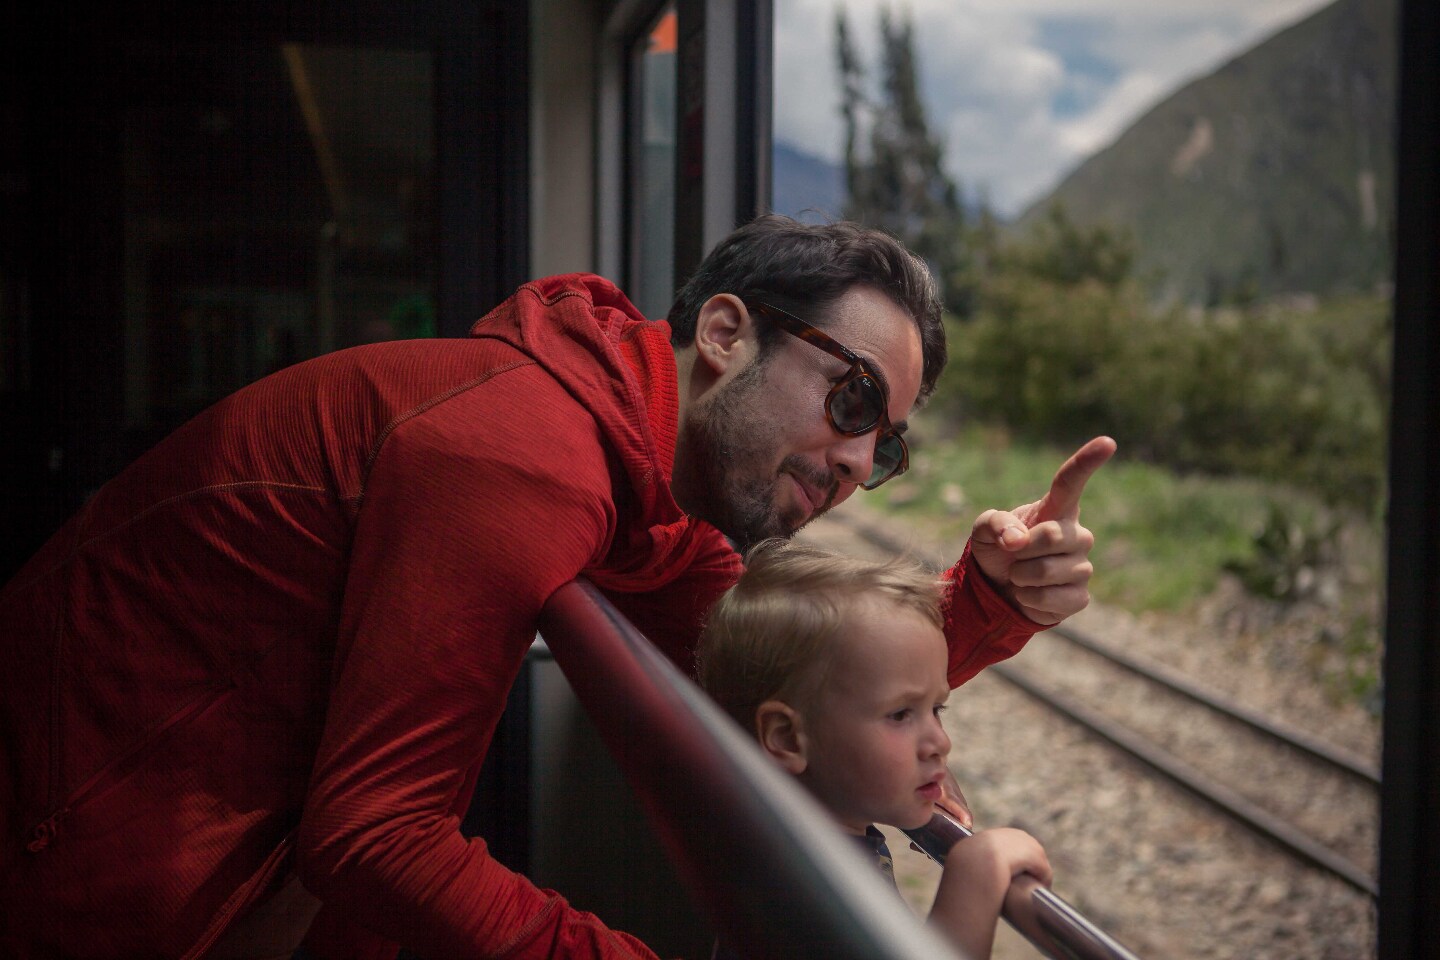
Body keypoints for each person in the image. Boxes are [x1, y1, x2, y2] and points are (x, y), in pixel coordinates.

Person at [0, 214, 1113, 959]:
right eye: (854, 402)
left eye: (890, 446)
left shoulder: (636, 483)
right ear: (724, 334)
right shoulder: (523, 451)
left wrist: (990, 601)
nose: (862, 463)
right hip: (73, 859)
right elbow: (373, 832)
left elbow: (795, 681)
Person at [696, 538, 1053, 960]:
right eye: (901, 714)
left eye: (936, 709)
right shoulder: (801, 886)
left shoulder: (778, 836)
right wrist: (975, 873)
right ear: (788, 738)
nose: (941, 742)